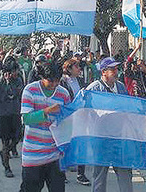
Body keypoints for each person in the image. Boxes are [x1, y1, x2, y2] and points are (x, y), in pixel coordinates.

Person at [19, 61, 70, 192]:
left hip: (55, 155)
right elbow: (26, 119)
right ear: (42, 77)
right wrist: (47, 111)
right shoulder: (30, 90)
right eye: (50, 81)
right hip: (33, 155)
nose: (54, 85)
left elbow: (68, 121)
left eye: (57, 81)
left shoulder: (63, 93)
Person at [86, 56, 133, 192]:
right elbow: (86, 112)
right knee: (99, 175)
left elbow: (128, 107)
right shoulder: (94, 89)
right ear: (103, 72)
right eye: (112, 69)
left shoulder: (121, 87)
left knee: (125, 173)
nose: (116, 72)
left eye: (116, 68)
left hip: (119, 138)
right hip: (101, 139)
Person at [59, 58, 91, 186]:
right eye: (76, 67)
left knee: (81, 144)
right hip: (67, 117)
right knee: (65, 145)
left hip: (80, 115)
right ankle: (62, 173)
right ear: (69, 68)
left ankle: (81, 174)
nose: (79, 69)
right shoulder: (62, 81)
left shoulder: (80, 80)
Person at [0, 57, 24, 178]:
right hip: (3, 115)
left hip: (15, 113)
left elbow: (18, 94)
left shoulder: (19, 81)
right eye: (15, 71)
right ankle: (7, 167)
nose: (17, 73)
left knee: (18, 137)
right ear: (8, 73)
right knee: (5, 142)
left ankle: (6, 151)